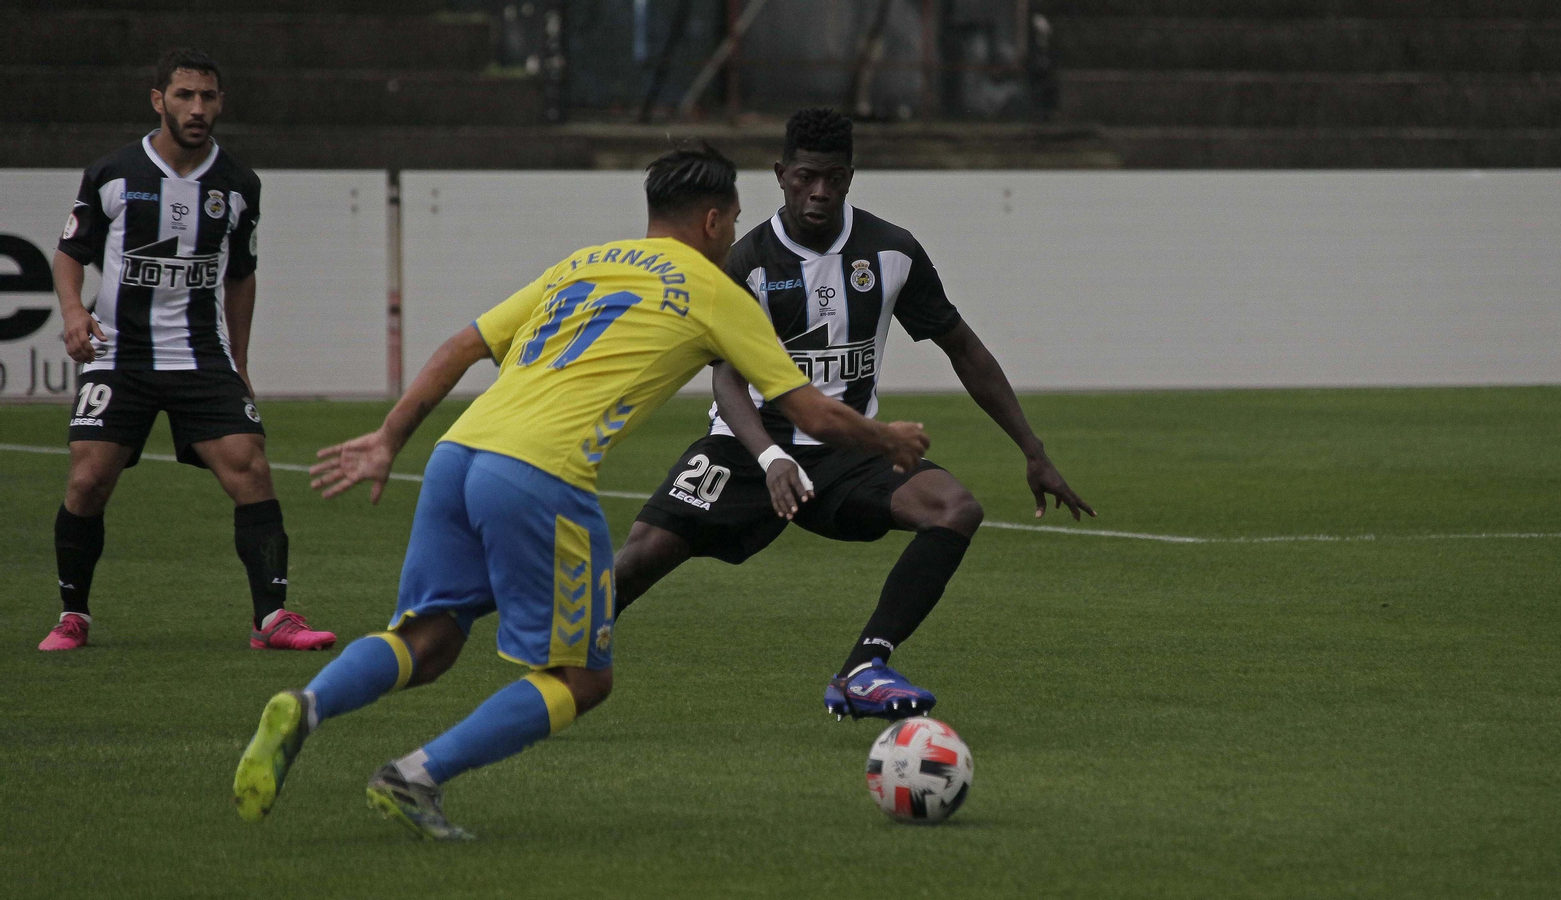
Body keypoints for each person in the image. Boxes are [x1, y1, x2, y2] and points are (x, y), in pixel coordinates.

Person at [230, 144, 929, 840]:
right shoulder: (719, 291)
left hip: (458, 455)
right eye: (735, 219)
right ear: (715, 221)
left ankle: (307, 704)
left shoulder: (584, 262)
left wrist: (388, 439)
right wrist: (887, 438)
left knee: (430, 638)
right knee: (583, 679)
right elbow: (809, 412)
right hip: (541, 473)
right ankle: (413, 776)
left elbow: (462, 345)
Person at [615, 108, 1095, 721]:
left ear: (850, 177)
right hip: (747, 447)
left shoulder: (890, 251)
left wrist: (1033, 449)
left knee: (955, 508)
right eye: (806, 178)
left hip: (847, 451)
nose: (819, 192)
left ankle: (863, 668)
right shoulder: (747, 262)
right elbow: (726, 378)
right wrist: (769, 457)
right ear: (781, 174)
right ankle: (558, 659)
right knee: (639, 558)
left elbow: (964, 348)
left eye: (834, 178)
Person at [39, 48, 334, 653]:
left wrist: (241, 363)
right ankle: (74, 616)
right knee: (89, 478)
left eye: (207, 97)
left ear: (220, 103)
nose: (197, 108)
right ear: (159, 100)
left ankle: (271, 619)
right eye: (184, 96)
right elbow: (70, 253)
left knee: (250, 467)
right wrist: (74, 313)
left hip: (201, 355)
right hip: (120, 353)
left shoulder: (239, 184)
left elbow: (241, 275)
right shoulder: (113, 174)